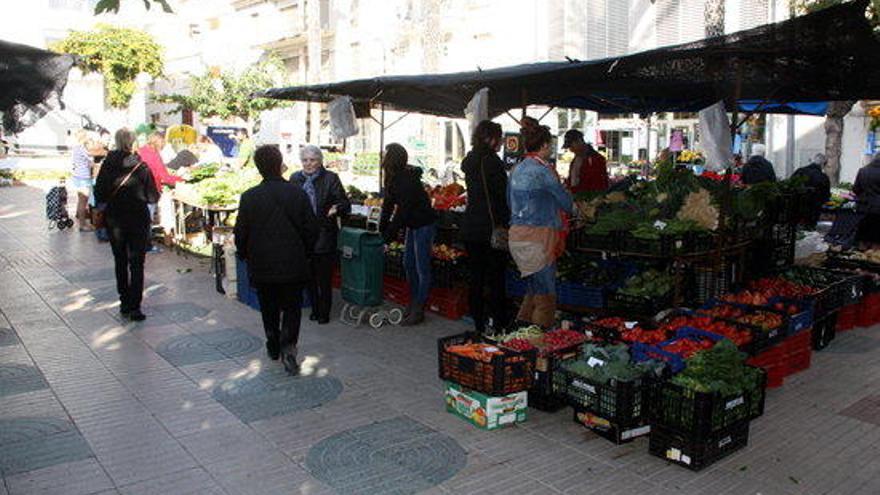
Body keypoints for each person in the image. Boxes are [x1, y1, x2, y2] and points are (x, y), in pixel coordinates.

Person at [234, 145, 318, 374]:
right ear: (279, 164)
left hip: (262, 264)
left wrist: (244, 254)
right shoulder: (297, 193)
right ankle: (289, 348)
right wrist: (305, 252)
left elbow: (240, 233)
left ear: (258, 167)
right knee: (292, 307)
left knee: (268, 306)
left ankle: (273, 342)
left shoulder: (250, 197)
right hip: (293, 262)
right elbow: (311, 229)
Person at [508, 125, 573, 328]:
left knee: (533, 289)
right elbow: (566, 203)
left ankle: (521, 334)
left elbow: (509, 204)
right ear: (544, 145)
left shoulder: (516, 169)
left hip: (517, 236)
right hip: (539, 238)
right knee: (545, 295)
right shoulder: (543, 172)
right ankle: (539, 344)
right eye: (550, 145)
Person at [94, 128, 159, 322]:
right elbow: (152, 196)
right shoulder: (140, 166)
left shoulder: (107, 164)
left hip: (115, 219)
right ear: (132, 142)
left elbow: (99, 192)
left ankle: (124, 301)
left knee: (120, 260)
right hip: (137, 219)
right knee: (137, 262)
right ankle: (135, 306)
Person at [290, 145, 351, 324]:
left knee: (324, 278)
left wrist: (336, 208)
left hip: (324, 233)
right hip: (303, 236)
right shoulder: (295, 178)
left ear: (320, 161)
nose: (308, 164)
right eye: (305, 160)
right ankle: (315, 309)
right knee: (308, 277)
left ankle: (324, 311)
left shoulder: (330, 178)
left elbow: (344, 203)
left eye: (312, 160)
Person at [379, 143, 438, 326]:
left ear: (392, 159)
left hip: (423, 224)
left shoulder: (406, 180)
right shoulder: (393, 179)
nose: (382, 158)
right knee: (408, 264)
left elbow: (402, 212)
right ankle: (413, 302)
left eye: (385, 155)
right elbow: (388, 205)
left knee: (421, 267)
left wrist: (388, 235)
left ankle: (418, 308)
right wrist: (382, 229)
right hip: (413, 225)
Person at [460, 120, 510, 334]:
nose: (501, 143)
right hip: (491, 228)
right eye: (499, 138)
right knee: (496, 278)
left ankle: (479, 325)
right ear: (490, 139)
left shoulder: (469, 160)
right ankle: (498, 324)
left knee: (476, 278)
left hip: (471, 226)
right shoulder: (492, 162)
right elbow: (502, 196)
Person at [138, 132, 183, 252]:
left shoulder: (141, 150)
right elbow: (164, 176)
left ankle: (139, 243)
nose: (164, 144)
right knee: (147, 219)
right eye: (163, 141)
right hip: (150, 190)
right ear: (158, 141)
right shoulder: (154, 154)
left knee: (141, 218)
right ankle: (146, 245)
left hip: (138, 189)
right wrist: (182, 179)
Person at [791, 153, 831, 227]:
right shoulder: (823, 177)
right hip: (813, 212)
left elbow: (790, 186)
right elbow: (826, 196)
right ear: (823, 165)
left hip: (796, 208)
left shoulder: (799, 171)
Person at [70, 129, 97, 231]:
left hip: (78, 176)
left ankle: (83, 223)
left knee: (80, 201)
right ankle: (82, 225)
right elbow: (90, 162)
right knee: (83, 201)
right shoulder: (81, 149)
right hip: (83, 177)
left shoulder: (76, 148)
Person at [854, 152, 880, 247]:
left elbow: (856, 189)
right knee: (877, 237)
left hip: (864, 206)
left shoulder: (863, 170)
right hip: (878, 210)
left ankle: (860, 255)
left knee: (863, 234)